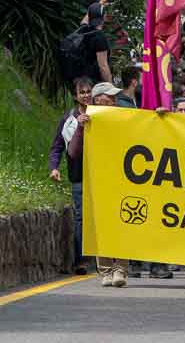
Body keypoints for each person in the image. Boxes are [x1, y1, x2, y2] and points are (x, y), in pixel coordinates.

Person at [67, 82, 129, 287]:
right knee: (101, 227)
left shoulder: (126, 118)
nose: (114, 101)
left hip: (122, 180)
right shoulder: (85, 121)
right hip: (97, 181)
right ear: (98, 100)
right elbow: (73, 153)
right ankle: (106, 271)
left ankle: (121, 269)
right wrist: (80, 128)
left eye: (114, 98)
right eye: (109, 98)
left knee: (122, 224)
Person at [49, 78, 93, 275]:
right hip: (79, 176)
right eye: (82, 92)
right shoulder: (68, 119)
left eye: (88, 91)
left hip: (102, 176)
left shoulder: (104, 114)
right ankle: (80, 261)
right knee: (80, 218)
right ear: (76, 96)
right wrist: (54, 167)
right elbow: (58, 145)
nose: (85, 95)